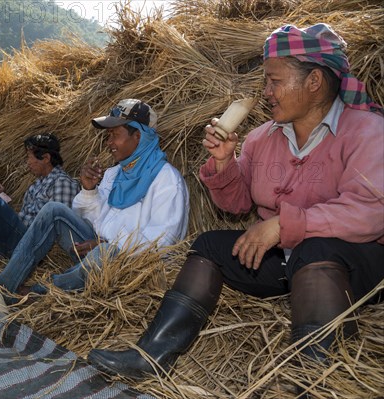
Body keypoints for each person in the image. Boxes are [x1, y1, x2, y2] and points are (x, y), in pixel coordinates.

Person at [87, 24, 384, 380]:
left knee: (316, 246)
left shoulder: (368, 132)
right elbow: (238, 203)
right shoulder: (262, 138)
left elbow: (369, 211)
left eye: (274, 81)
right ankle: (151, 355)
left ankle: (316, 377)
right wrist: (225, 161)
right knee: (209, 245)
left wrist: (282, 225)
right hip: (286, 264)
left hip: (354, 267)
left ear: (314, 81)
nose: (267, 91)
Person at [0, 99, 189, 298]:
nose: (109, 142)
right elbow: (95, 222)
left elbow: (163, 243)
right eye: (108, 136)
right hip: (98, 249)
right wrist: (89, 191)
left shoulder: (167, 180)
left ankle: (41, 292)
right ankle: (4, 287)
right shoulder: (115, 174)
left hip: (131, 265)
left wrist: (108, 245)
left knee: (103, 254)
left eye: (115, 135)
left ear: (138, 136)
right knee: (53, 210)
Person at [0, 133, 80, 266]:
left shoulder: (62, 183)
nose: (27, 162)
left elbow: (58, 231)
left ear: (46, 158)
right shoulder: (37, 184)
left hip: (33, 246)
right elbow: (22, 217)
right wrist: (0, 198)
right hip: (20, 238)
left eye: (29, 157)